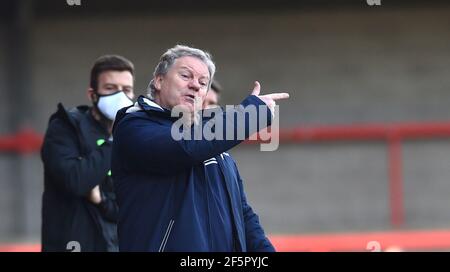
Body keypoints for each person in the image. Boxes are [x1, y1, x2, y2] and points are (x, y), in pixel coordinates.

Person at [112, 45, 289, 252]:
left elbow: (242, 214)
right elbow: (184, 147)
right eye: (186, 76)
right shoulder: (135, 126)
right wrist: (251, 114)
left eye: (203, 83)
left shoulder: (213, 146)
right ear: (159, 81)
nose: (195, 85)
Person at [41, 55, 135, 252]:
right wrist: (115, 140)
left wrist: (101, 200)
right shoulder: (66, 127)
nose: (120, 96)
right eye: (110, 88)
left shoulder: (135, 138)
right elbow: (75, 180)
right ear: (92, 94)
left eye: (126, 90)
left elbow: (135, 207)